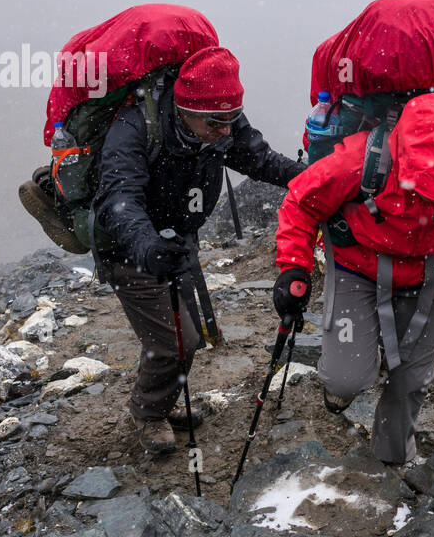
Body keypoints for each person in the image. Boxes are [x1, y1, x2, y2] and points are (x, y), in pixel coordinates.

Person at [271, 91, 434, 466]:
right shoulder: (362, 156)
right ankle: (356, 367)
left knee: (410, 380)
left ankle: (393, 460)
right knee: (344, 380)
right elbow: (301, 201)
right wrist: (293, 267)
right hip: (358, 269)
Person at [92, 45, 304, 453]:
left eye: (232, 119)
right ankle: (148, 413)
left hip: (175, 240)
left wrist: (314, 180)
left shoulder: (219, 118)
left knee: (180, 332)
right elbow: (119, 201)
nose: (227, 130)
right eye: (216, 123)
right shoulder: (135, 127)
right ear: (182, 111)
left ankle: (164, 401)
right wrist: (148, 247)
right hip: (128, 249)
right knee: (177, 340)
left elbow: (261, 161)